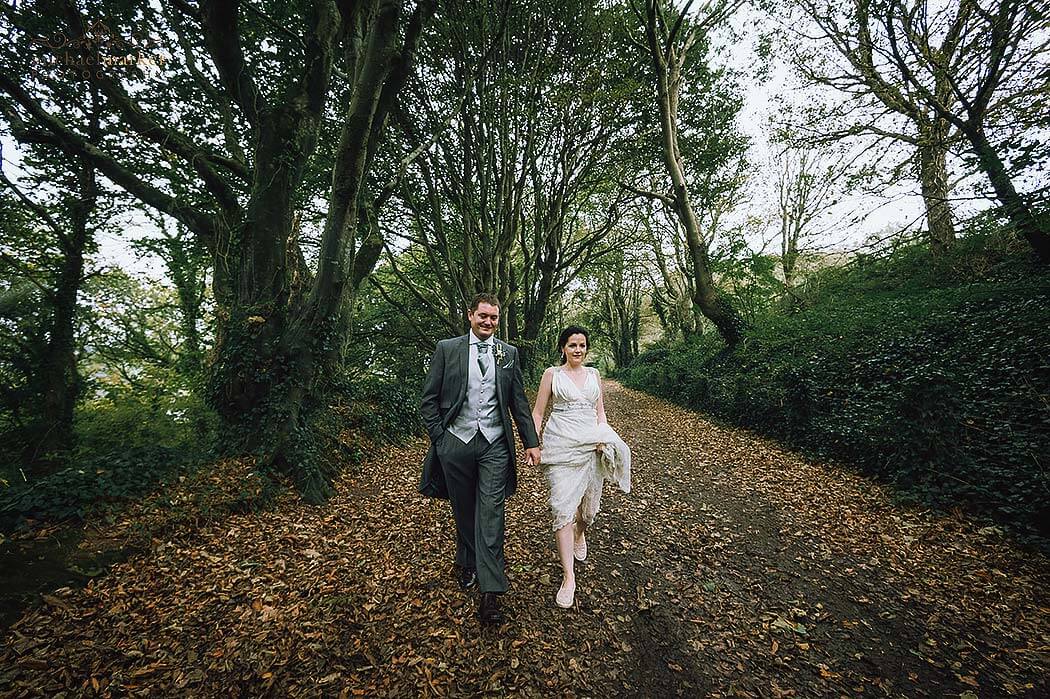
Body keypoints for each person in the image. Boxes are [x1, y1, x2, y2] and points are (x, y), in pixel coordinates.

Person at [419, 293, 542, 625]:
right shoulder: (448, 349)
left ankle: (491, 592)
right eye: (483, 316)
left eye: (494, 318)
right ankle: (468, 560)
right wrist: (440, 439)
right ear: (470, 315)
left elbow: (518, 402)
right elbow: (429, 399)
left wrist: (531, 442)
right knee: (463, 509)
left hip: (495, 445)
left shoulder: (509, 353)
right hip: (455, 443)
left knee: (491, 513)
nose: (489, 322)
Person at [531, 325, 631, 609]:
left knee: (588, 511)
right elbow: (538, 413)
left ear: (586, 348)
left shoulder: (595, 376)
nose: (577, 350)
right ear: (563, 347)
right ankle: (568, 576)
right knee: (562, 507)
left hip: (591, 446)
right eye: (572, 345)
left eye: (582, 345)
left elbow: (600, 413)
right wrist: (532, 442)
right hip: (559, 446)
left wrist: (603, 437)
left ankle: (580, 531)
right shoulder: (552, 375)